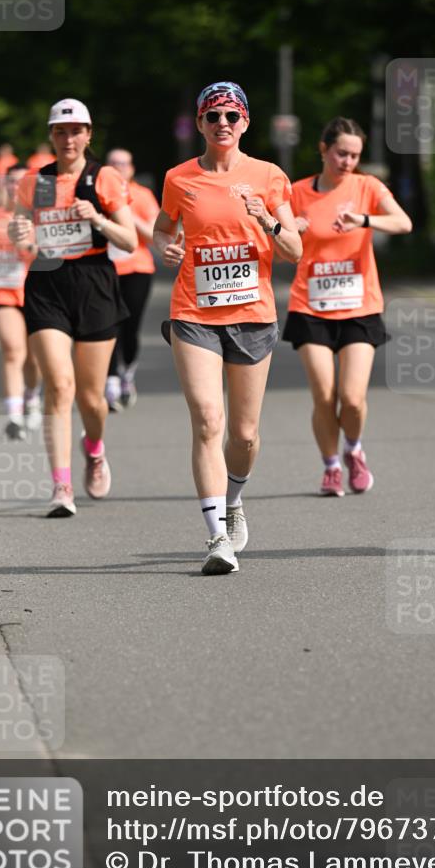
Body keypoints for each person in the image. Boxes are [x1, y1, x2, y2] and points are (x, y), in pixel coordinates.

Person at [153, 81, 302, 575]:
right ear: (199, 123)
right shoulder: (179, 178)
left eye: (231, 116)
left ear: (245, 124)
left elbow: (295, 250)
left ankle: (234, 499)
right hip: (193, 312)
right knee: (208, 421)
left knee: (243, 434)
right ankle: (217, 536)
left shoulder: (269, 176)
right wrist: (166, 248)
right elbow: (162, 229)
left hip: (252, 315)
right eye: (213, 116)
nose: (222, 124)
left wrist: (267, 220)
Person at [9, 98, 136, 517]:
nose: (68, 138)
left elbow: (130, 241)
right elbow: (24, 236)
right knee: (59, 385)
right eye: (61, 131)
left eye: (76, 130)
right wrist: (18, 231)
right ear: (51, 135)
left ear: (88, 134)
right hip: (48, 283)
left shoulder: (104, 177)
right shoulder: (36, 182)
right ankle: (61, 486)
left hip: (95, 284)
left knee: (91, 398)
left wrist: (96, 218)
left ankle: (94, 448)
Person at [282, 117, 412, 495]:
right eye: (341, 153)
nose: (348, 161)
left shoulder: (367, 186)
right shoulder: (297, 192)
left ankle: (354, 450)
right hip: (311, 306)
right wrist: (293, 231)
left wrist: (364, 219)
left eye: (354, 155)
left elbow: (403, 222)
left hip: (359, 306)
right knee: (324, 395)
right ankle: (331, 466)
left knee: (352, 399)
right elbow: (275, 247)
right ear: (323, 150)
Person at [0, 164, 42, 439]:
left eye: (22, 182)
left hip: (36, 292)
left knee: (34, 358)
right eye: (11, 182)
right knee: (13, 350)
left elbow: (50, 256)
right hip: (2, 290)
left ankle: (31, 398)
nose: (16, 187)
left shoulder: (40, 219)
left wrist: (26, 247)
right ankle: (13, 416)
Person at [104, 148, 160, 410]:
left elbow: (153, 235)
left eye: (123, 164)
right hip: (105, 268)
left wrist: (126, 212)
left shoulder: (143, 195)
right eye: (113, 163)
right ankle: (112, 379)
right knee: (108, 323)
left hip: (137, 268)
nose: (118, 168)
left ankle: (127, 373)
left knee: (130, 325)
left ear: (132, 169)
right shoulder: (97, 193)